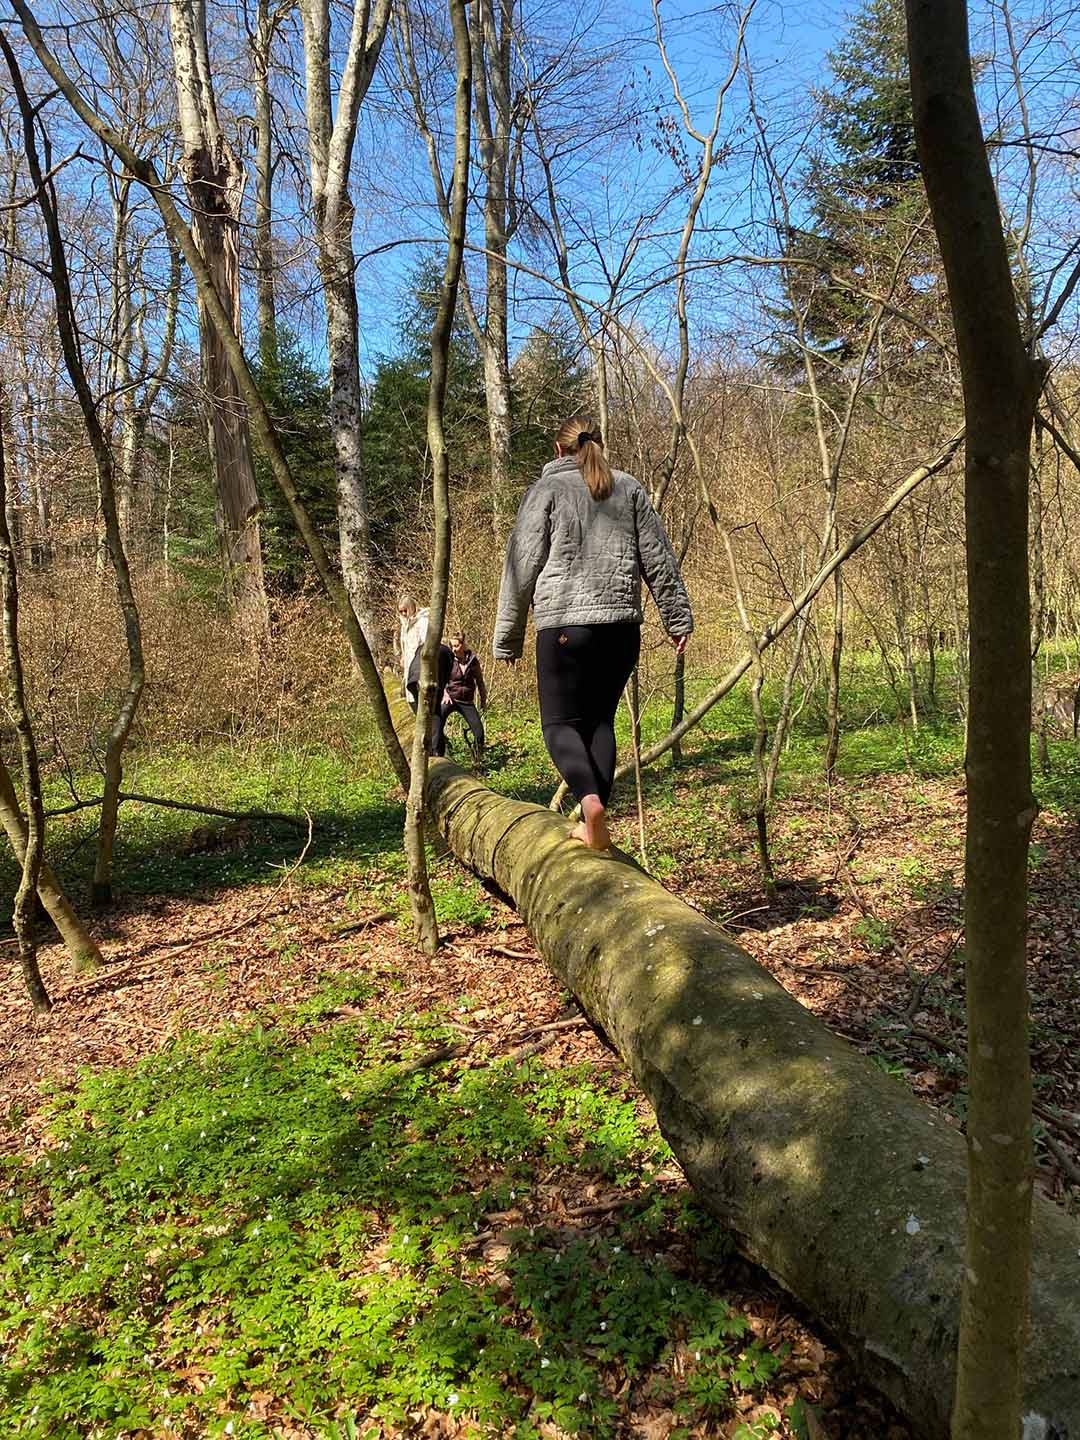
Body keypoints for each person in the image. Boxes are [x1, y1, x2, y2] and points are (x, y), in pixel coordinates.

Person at [493, 415, 692, 851]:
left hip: (565, 626)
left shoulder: (546, 491)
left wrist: (507, 636)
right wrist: (676, 618)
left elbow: (521, 564)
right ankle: (592, 819)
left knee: (560, 724)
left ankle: (589, 803)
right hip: (621, 629)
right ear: (598, 445)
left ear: (557, 449)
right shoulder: (629, 488)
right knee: (600, 721)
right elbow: (658, 558)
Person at [433, 631, 487, 758]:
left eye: (456, 646)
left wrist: (483, 700)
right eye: (452, 646)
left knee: (479, 733)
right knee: (437, 726)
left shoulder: (473, 661)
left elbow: (480, 682)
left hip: (466, 701)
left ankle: (478, 760)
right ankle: (437, 756)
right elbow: (440, 678)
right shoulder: (448, 659)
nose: (454, 649)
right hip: (450, 698)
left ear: (463, 645)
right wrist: (445, 693)